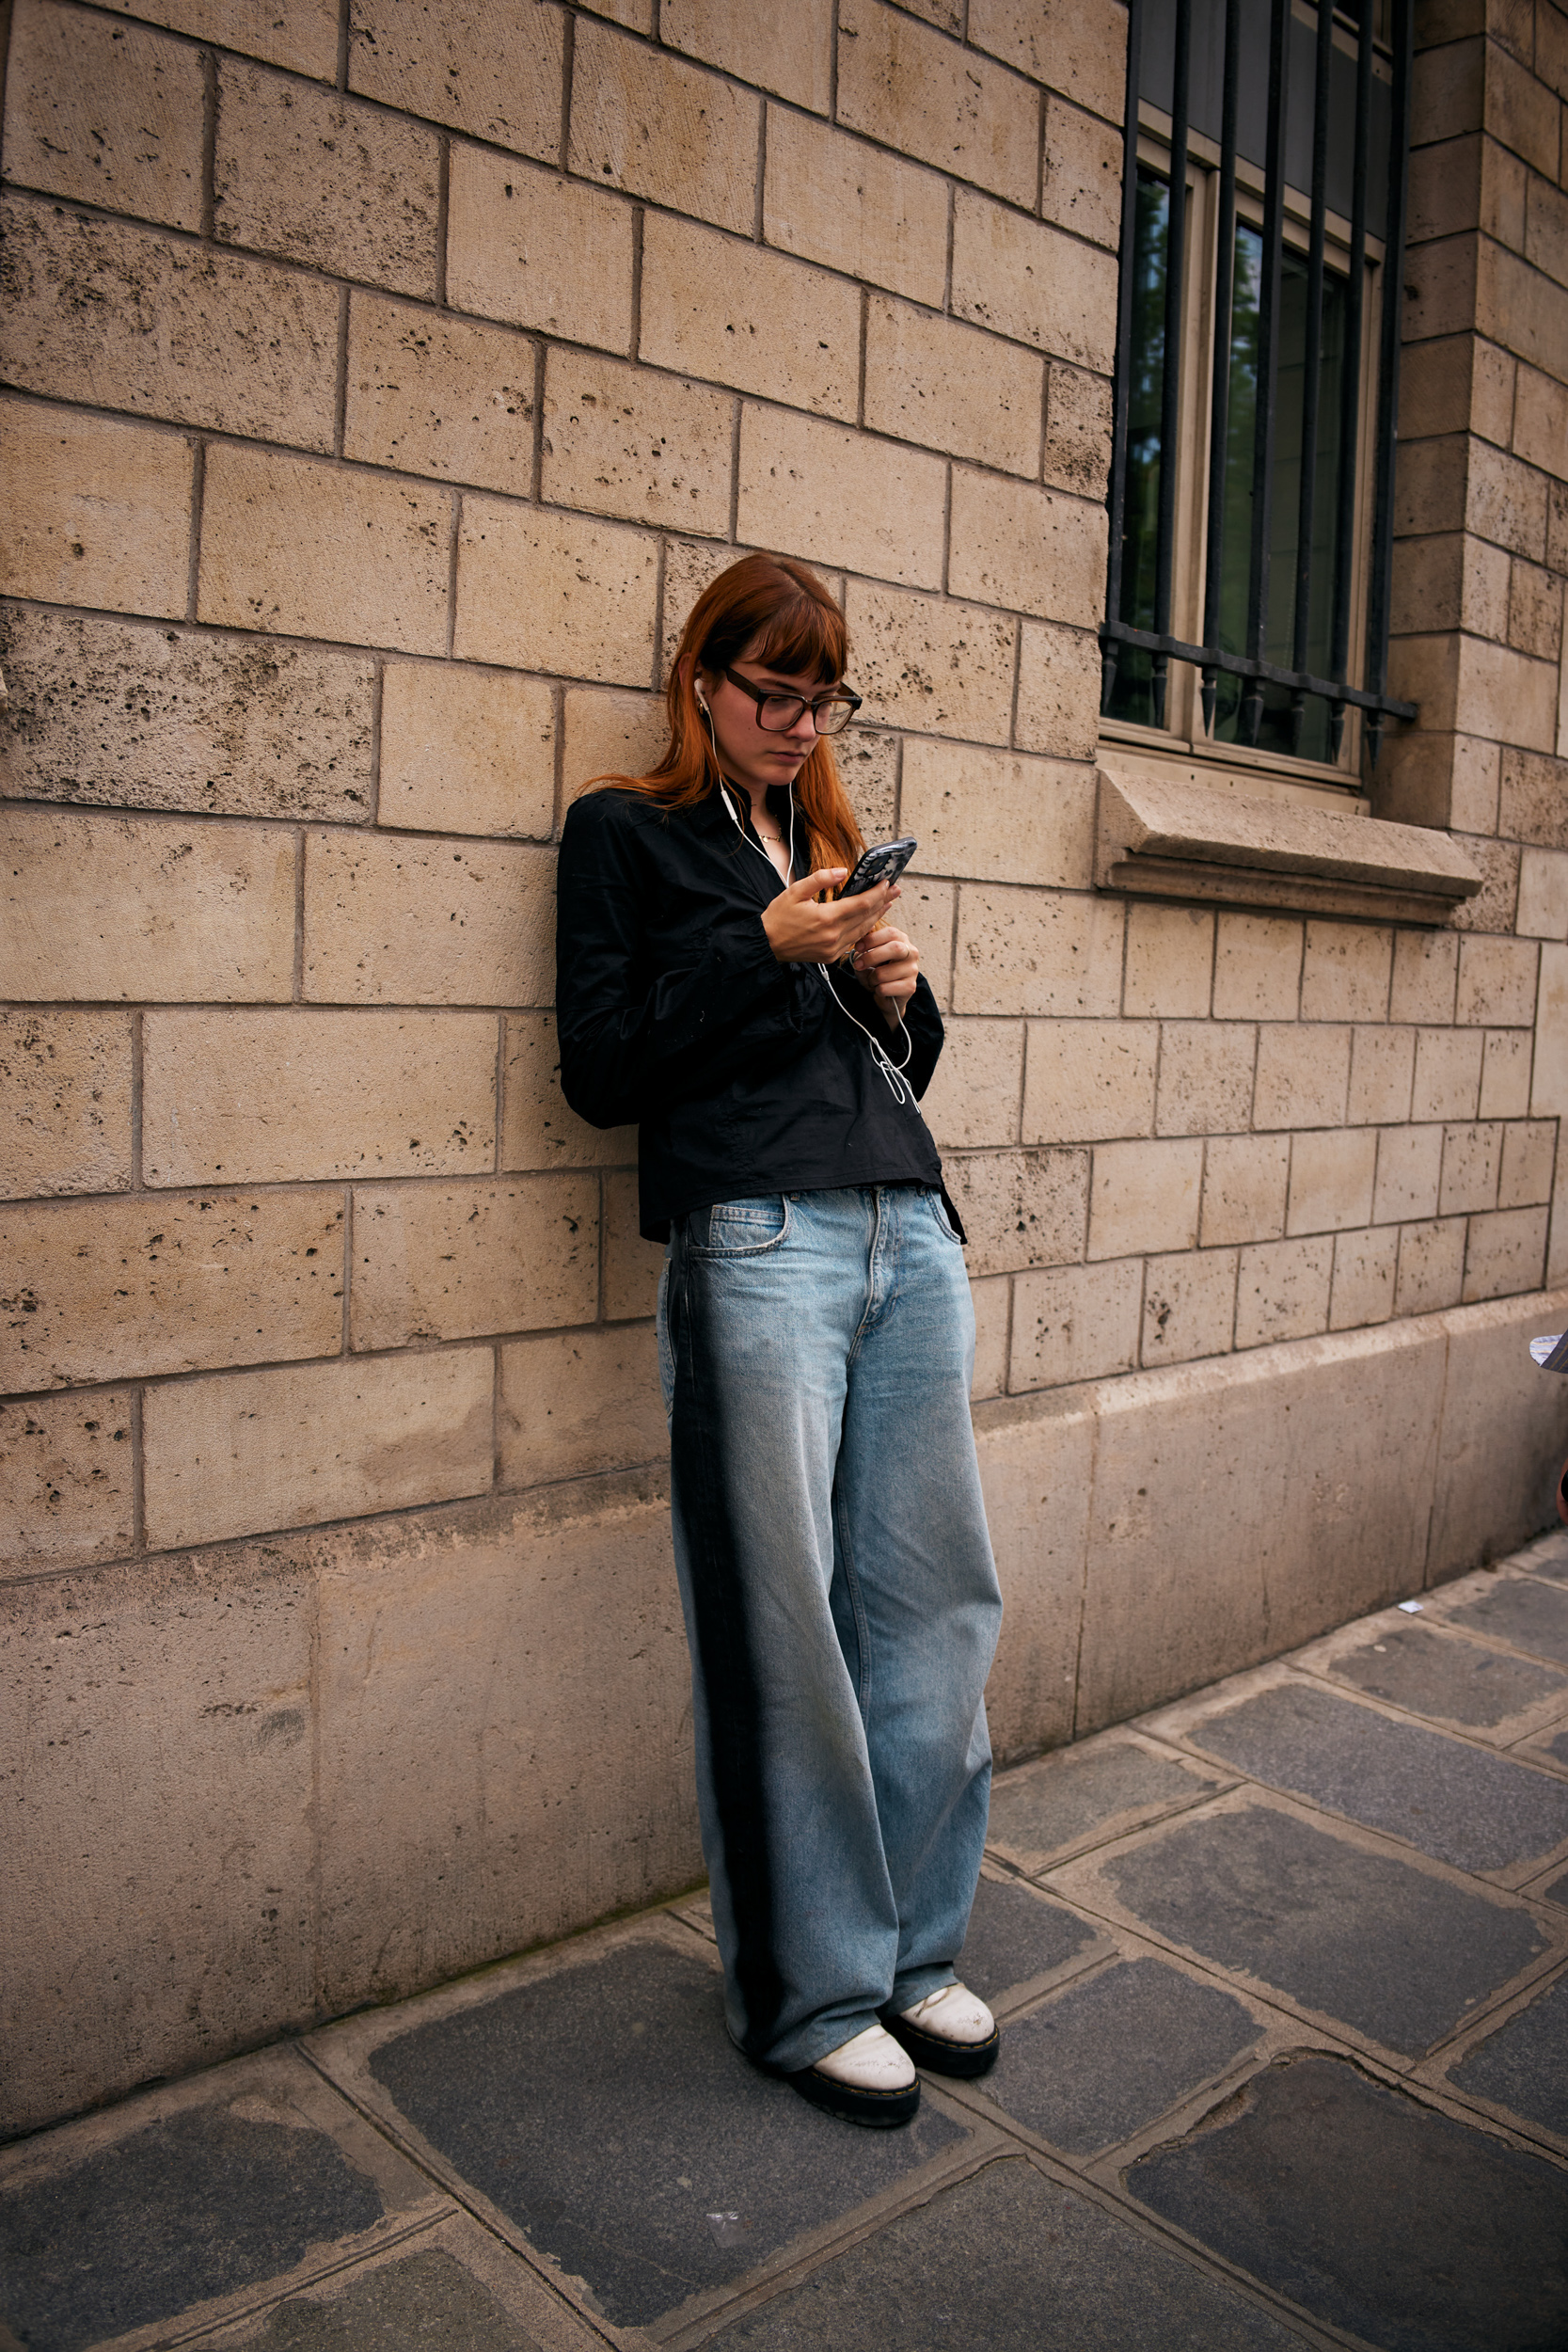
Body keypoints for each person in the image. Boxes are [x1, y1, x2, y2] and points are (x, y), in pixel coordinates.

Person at [555, 552, 1004, 2128]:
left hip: (905, 1228)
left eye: (825, 698)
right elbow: (602, 1070)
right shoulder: (626, 830)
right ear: (705, 680)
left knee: (937, 1601)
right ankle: (809, 1990)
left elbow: (899, 1071)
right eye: (775, 692)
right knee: (785, 1627)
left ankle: (911, 1949)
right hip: (757, 1240)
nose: (801, 723)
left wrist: (896, 986)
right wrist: (766, 953)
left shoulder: (818, 838)